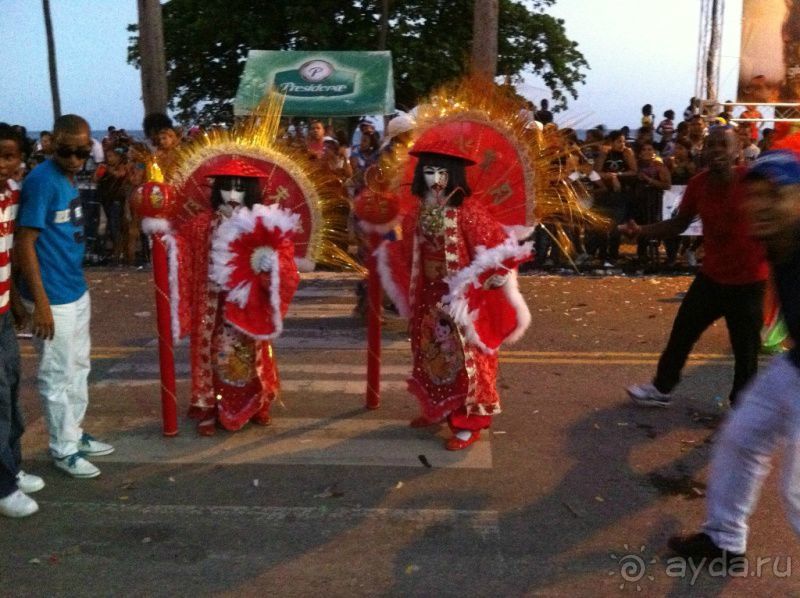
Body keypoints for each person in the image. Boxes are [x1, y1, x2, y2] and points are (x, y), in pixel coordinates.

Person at [667, 146, 800, 565]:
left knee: (797, 491)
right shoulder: (777, 240)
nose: (759, 206)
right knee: (741, 439)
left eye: (773, 195)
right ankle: (724, 539)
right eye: (754, 195)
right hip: (794, 367)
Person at [366, 132, 532, 450]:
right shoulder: (417, 211)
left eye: (443, 172)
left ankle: (469, 423)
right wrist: (380, 240)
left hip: (461, 301)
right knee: (431, 356)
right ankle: (437, 408)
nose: (437, 179)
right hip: (428, 298)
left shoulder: (468, 211)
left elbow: (498, 248)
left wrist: (495, 274)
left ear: (454, 175)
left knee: (467, 360)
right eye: (430, 171)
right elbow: (405, 249)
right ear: (420, 174)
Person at [621, 126, 768, 407]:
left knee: (745, 351)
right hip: (711, 278)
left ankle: (741, 409)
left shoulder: (753, 181)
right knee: (682, 335)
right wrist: (640, 231)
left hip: (749, 282)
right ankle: (661, 389)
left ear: (737, 149)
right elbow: (678, 223)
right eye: (710, 145)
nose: (716, 151)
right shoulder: (698, 184)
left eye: (722, 145)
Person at [15, 114, 114, 479]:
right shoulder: (42, 182)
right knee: (57, 373)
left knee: (79, 367)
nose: (74, 159)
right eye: (67, 151)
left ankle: (75, 432)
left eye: (81, 152)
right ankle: (63, 448)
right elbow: (25, 243)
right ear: (52, 144)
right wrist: (40, 304)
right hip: (52, 296)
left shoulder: (69, 178)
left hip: (74, 289)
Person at [0, 124, 44, 517]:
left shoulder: (13, 195)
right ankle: (2, 486)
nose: (2, 164)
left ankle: (12, 466)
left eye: (9, 156)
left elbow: (9, 253)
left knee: (12, 388)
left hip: (2, 312)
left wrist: (15, 300)